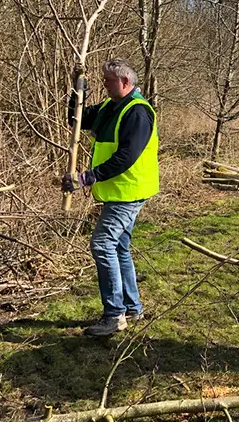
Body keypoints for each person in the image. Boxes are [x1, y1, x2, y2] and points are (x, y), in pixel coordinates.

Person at [62, 58, 159, 336]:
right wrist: (78, 92)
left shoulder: (138, 113)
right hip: (118, 191)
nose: (104, 84)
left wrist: (87, 177)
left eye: (108, 80)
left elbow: (126, 157)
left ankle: (114, 315)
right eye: (103, 80)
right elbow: (76, 119)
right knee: (118, 247)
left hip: (129, 191)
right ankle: (131, 307)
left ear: (126, 82)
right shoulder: (109, 106)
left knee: (102, 244)